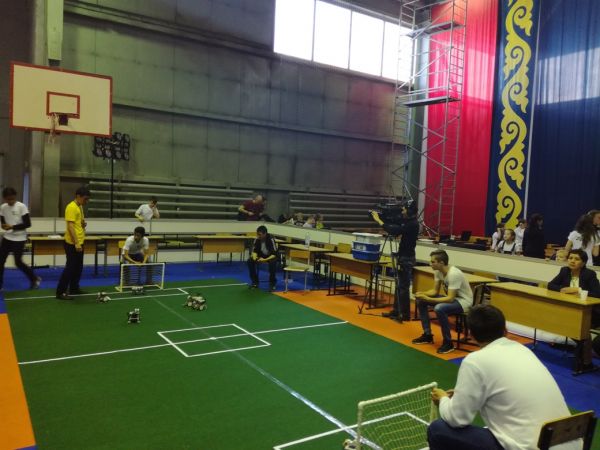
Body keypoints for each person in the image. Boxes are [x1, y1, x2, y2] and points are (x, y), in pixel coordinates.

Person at [428, 305, 577, 450]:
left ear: (471, 335)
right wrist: (464, 393)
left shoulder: (474, 361)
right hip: (572, 442)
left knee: (437, 430)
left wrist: (443, 399)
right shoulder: (523, 350)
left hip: (530, 446)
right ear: (505, 329)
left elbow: (457, 419)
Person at [412, 249, 472, 354]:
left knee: (439, 308)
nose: (430, 264)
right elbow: (434, 291)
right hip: (453, 299)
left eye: (433, 262)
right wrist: (422, 294)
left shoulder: (454, 274)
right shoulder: (438, 271)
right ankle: (427, 335)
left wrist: (429, 299)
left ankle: (448, 342)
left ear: (442, 263)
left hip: (464, 302)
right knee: (421, 301)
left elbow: (450, 298)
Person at [548, 249, 600, 368]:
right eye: (570, 258)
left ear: (583, 263)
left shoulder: (589, 274)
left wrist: (578, 290)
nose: (572, 261)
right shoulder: (564, 271)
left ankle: (585, 360)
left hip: (590, 312)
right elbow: (551, 285)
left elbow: (597, 294)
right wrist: (562, 289)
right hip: (569, 310)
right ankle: (583, 354)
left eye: (576, 259)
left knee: (579, 329)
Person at [370, 201, 419, 322]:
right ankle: (397, 311)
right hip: (403, 256)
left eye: (404, 209)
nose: (402, 211)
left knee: (403, 287)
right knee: (399, 286)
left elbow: (395, 230)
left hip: (407, 259)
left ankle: (404, 314)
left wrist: (379, 221)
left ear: (409, 211)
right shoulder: (409, 222)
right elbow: (395, 224)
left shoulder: (412, 224)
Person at [0, 187, 41, 290]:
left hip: (19, 238)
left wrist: (12, 227)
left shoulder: (21, 206)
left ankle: (34, 279)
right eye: (8, 199)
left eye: (12, 199)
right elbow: (3, 224)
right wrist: (4, 226)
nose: (11, 201)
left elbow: (28, 224)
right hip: (7, 237)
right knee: (0, 261)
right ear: (4, 198)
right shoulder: (3, 207)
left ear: (15, 196)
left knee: (18, 262)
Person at [56, 186, 90, 300]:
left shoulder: (79, 207)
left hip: (79, 241)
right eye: (85, 199)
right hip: (72, 243)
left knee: (78, 267)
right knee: (70, 267)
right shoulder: (71, 207)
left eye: (87, 199)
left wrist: (83, 224)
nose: (86, 201)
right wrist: (76, 243)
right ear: (78, 196)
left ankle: (74, 288)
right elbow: (70, 227)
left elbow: (76, 223)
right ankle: (60, 292)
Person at [247, 225, 278, 290]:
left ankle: (272, 283)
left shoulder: (271, 239)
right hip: (261, 255)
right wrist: (255, 258)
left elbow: (274, 254)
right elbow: (254, 251)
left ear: (265, 234)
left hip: (270, 256)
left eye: (260, 234)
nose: (258, 236)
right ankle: (255, 282)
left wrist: (264, 260)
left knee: (273, 262)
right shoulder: (257, 239)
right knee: (250, 261)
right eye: (257, 234)